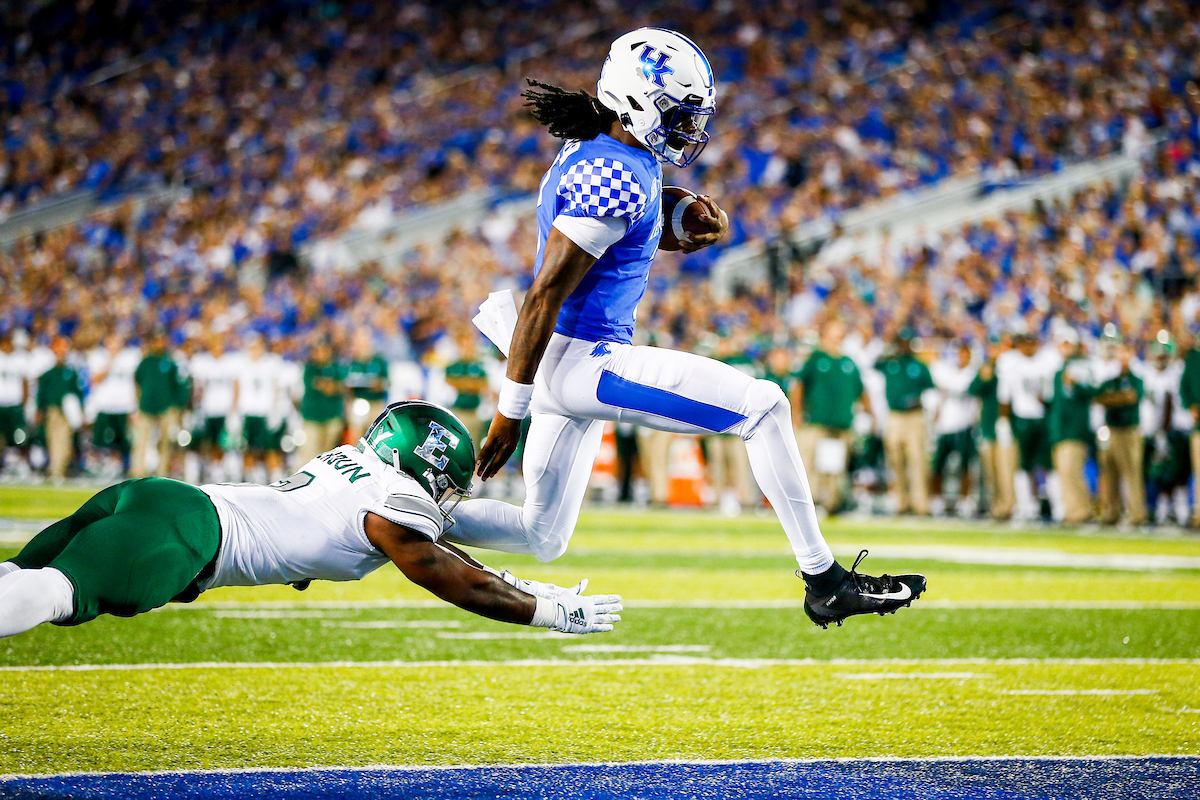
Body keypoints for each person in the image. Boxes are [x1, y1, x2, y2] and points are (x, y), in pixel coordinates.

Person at [454, 28, 925, 629]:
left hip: (569, 359)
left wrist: (676, 215)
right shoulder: (616, 172)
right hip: (580, 362)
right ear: (636, 103)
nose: (689, 128)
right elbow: (547, 291)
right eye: (678, 114)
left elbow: (626, 228)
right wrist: (509, 410)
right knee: (764, 406)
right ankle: (824, 579)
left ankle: (407, 516)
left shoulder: (611, 151)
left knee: (541, 535)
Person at [0, 402, 621, 639]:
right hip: (187, 538)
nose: (447, 499)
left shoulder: (357, 467)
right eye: (446, 484)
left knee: (15, 575)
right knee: (51, 592)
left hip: (155, 499)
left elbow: (447, 537)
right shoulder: (391, 512)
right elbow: (443, 570)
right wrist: (546, 611)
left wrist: (528, 572)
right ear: (428, 468)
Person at [792, 319, 869, 515]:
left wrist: (868, 414)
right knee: (810, 465)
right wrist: (797, 414)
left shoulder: (848, 362)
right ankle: (809, 504)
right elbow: (798, 386)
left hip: (841, 423)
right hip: (816, 422)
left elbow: (861, 391)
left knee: (835, 467)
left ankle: (832, 504)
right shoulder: (815, 358)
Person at [876, 329, 934, 516]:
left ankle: (920, 504)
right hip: (894, 417)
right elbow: (873, 363)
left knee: (917, 460)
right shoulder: (890, 363)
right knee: (896, 460)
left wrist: (920, 402)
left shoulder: (919, 365)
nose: (903, 345)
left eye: (906, 342)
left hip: (914, 417)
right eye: (900, 342)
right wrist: (887, 345)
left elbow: (931, 391)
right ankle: (901, 503)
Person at [1141, 339, 1192, 525]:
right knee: (1162, 473)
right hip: (1160, 430)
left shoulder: (1176, 372)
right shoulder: (1147, 373)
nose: (1160, 360)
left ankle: (1180, 512)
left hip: (1177, 429)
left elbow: (1169, 403)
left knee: (1178, 473)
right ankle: (1166, 511)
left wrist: (1164, 431)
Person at [1047, 331, 1095, 525]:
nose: (1065, 347)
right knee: (1064, 473)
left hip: (1075, 429)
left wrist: (1077, 384)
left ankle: (1082, 511)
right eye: (1063, 343)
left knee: (1072, 471)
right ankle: (1072, 511)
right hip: (1060, 431)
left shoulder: (1083, 367)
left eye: (1069, 344)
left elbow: (1093, 392)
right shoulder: (1059, 370)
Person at [1096, 342, 1146, 526]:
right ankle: (1111, 513)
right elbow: (1099, 398)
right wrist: (1119, 398)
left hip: (1130, 430)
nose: (1123, 356)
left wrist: (1113, 399)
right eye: (1121, 352)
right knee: (1109, 471)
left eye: (1127, 352)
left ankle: (1136, 514)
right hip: (1112, 429)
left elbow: (1132, 397)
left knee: (1132, 472)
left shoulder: (1136, 377)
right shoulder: (1111, 378)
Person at [929, 342, 978, 517]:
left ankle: (965, 500)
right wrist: (937, 415)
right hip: (946, 425)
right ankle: (937, 499)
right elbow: (942, 395)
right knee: (937, 465)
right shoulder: (949, 372)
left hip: (964, 425)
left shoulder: (972, 374)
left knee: (965, 466)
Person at [86, 333, 140, 476]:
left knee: (124, 442)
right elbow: (95, 380)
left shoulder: (130, 357)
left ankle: (121, 470)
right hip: (104, 406)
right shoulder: (97, 356)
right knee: (100, 441)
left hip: (124, 407)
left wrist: (135, 407)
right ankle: (98, 469)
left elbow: (135, 383)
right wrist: (111, 359)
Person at [132, 330, 183, 478]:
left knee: (165, 442)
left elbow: (178, 385)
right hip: (146, 406)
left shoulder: (170, 362)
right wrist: (138, 400)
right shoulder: (145, 362)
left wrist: (176, 407)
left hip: (166, 407)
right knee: (141, 441)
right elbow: (137, 382)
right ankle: (138, 472)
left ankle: (163, 472)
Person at [190, 333, 240, 482]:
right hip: (209, 408)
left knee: (225, 441)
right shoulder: (204, 363)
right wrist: (197, 406)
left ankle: (224, 468)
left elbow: (236, 386)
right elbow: (199, 387)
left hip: (224, 408)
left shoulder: (229, 362)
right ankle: (213, 467)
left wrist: (234, 407)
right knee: (210, 440)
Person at [969, 339, 1011, 518]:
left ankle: (1009, 505)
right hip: (988, 426)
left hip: (1005, 427)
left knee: (1005, 470)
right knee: (991, 472)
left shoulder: (1009, 367)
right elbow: (973, 389)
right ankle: (997, 507)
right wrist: (983, 377)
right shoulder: (985, 369)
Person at [234, 335, 283, 483]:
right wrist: (234, 413)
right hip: (247, 412)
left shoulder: (270, 363)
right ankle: (248, 478)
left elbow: (276, 389)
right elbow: (237, 389)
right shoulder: (242, 364)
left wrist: (276, 410)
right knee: (248, 448)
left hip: (265, 412)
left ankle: (276, 478)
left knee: (271, 448)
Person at [36, 337, 84, 482]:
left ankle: (58, 470)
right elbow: (41, 393)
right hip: (53, 410)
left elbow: (78, 393)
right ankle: (56, 469)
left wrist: (80, 411)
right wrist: (39, 410)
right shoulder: (49, 373)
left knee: (64, 441)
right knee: (53, 440)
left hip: (68, 412)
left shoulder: (71, 372)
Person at [299, 338, 346, 463]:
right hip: (312, 418)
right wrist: (331, 385)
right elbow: (321, 386)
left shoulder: (336, 367)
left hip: (332, 416)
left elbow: (341, 387)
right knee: (309, 453)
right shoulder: (310, 368)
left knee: (329, 455)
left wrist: (330, 386)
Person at [444, 328, 490, 449]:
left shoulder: (479, 365)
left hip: (474, 412)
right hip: (457, 411)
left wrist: (463, 384)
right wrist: (470, 384)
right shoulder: (453, 365)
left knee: (474, 446)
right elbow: (447, 383)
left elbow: (483, 385)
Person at [345, 330, 390, 443]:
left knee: (377, 437)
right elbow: (345, 384)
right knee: (357, 436)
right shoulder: (351, 361)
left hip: (375, 402)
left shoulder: (378, 360)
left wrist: (377, 384)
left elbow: (386, 382)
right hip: (358, 402)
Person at [0, 331, 30, 472]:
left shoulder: (19, 359)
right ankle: (4, 465)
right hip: (1, 404)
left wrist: (24, 402)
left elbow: (25, 382)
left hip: (14, 405)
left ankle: (19, 464)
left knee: (19, 435)